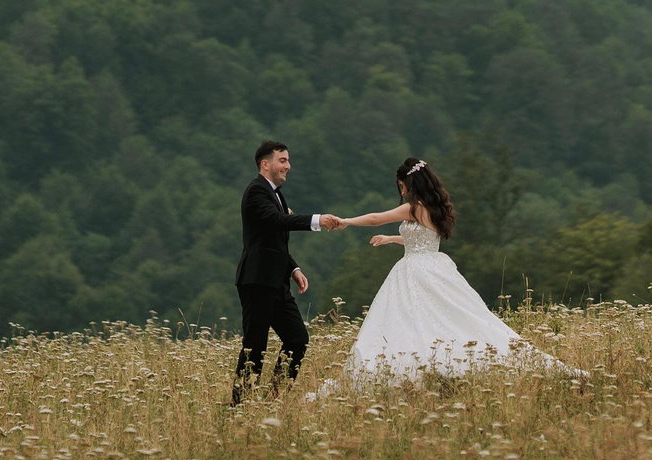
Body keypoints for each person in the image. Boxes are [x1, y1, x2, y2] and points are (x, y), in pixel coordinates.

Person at [327, 155, 575, 383]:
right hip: (434, 264)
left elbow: (375, 218)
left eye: (402, 186)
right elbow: (424, 240)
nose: (401, 191)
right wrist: (392, 239)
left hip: (415, 269)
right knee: (447, 314)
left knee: (413, 316)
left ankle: (419, 363)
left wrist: (346, 222)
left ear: (409, 184)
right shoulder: (435, 208)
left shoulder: (413, 208)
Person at [232, 139, 344, 402]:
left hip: (277, 281)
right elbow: (275, 221)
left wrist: (293, 268)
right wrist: (316, 220)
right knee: (254, 346)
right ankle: (240, 405)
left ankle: (275, 397)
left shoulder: (275, 193)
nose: (288, 166)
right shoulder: (256, 192)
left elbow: (274, 239)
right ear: (265, 163)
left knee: (297, 338)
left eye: (288, 161)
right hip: (257, 280)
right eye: (282, 161)